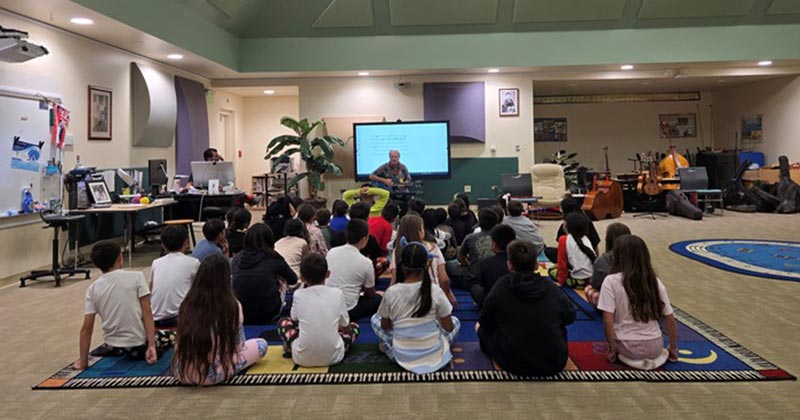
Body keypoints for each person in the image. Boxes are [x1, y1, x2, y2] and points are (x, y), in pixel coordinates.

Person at [477, 240, 576, 377]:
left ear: (509, 265)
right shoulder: (551, 288)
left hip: (511, 361)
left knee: (480, 328)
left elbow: (485, 320)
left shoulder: (502, 286)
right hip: (553, 362)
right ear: (536, 265)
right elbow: (570, 317)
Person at [172, 254, 268, 386]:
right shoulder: (232, 306)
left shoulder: (187, 303)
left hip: (181, 372)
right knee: (261, 345)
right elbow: (239, 346)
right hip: (211, 374)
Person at [372, 242, 460, 374]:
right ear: (427, 265)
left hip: (401, 356)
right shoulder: (435, 291)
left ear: (402, 266)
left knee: (375, 319)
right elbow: (449, 327)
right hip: (434, 354)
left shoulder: (391, 292)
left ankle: (389, 346)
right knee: (456, 321)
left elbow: (385, 326)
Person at [74, 241, 160, 370]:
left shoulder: (93, 288)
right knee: (170, 336)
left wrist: (83, 362)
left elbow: (86, 329)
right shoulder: (137, 277)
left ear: (96, 264)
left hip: (112, 346)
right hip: (138, 344)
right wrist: (151, 345)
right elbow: (147, 312)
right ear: (120, 258)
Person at [598, 235, 678, 370]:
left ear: (618, 257)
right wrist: (673, 348)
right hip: (655, 346)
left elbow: (607, 320)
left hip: (626, 345)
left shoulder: (611, 281)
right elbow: (670, 318)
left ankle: (627, 357)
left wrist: (612, 348)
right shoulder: (654, 282)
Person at [277, 253, 360, 367]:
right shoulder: (337, 293)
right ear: (328, 274)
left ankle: (290, 346)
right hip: (334, 357)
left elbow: (294, 318)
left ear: (302, 278)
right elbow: (345, 327)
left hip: (301, 358)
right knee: (354, 327)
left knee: (283, 322)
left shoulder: (298, 294)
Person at [232, 223, 298, 324]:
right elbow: (293, 279)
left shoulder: (236, 258)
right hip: (268, 313)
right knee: (281, 278)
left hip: (241, 313)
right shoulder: (274, 257)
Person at [392, 214, 457, 306]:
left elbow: (394, 279)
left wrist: (392, 296)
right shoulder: (433, 248)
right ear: (420, 231)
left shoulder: (398, 250)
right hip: (432, 296)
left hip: (405, 300)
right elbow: (444, 279)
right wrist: (448, 294)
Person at [326, 219, 381, 321]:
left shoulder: (331, 252)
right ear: (364, 238)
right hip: (348, 310)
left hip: (328, 305)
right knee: (378, 298)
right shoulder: (366, 262)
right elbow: (370, 293)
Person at [149, 226, 200, 328]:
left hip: (156, 318)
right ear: (186, 243)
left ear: (163, 245)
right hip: (180, 318)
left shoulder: (156, 263)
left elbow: (150, 289)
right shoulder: (193, 263)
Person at [469, 225, 516, 309]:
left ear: (494, 245)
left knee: (475, 288)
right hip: (516, 302)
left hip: (493, 305)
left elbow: (483, 285)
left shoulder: (486, 263)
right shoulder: (519, 260)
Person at [585, 223, 632, 306]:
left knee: (589, 289)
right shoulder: (637, 255)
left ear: (608, 240)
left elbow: (595, 284)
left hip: (613, 302)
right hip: (635, 298)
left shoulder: (602, 260)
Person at [545, 198, 601, 262]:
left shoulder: (565, 227)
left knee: (548, 251)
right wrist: (596, 261)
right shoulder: (587, 222)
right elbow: (595, 244)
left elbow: (561, 249)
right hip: (589, 256)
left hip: (571, 259)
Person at [550, 212, 596, 290]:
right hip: (591, 280)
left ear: (566, 226)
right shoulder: (586, 239)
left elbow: (562, 264)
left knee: (551, 271)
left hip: (579, 281)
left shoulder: (563, 239)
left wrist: (561, 282)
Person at [348, 202, 389, 277]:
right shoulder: (369, 239)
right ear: (367, 218)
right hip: (365, 274)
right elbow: (379, 257)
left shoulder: (340, 234)